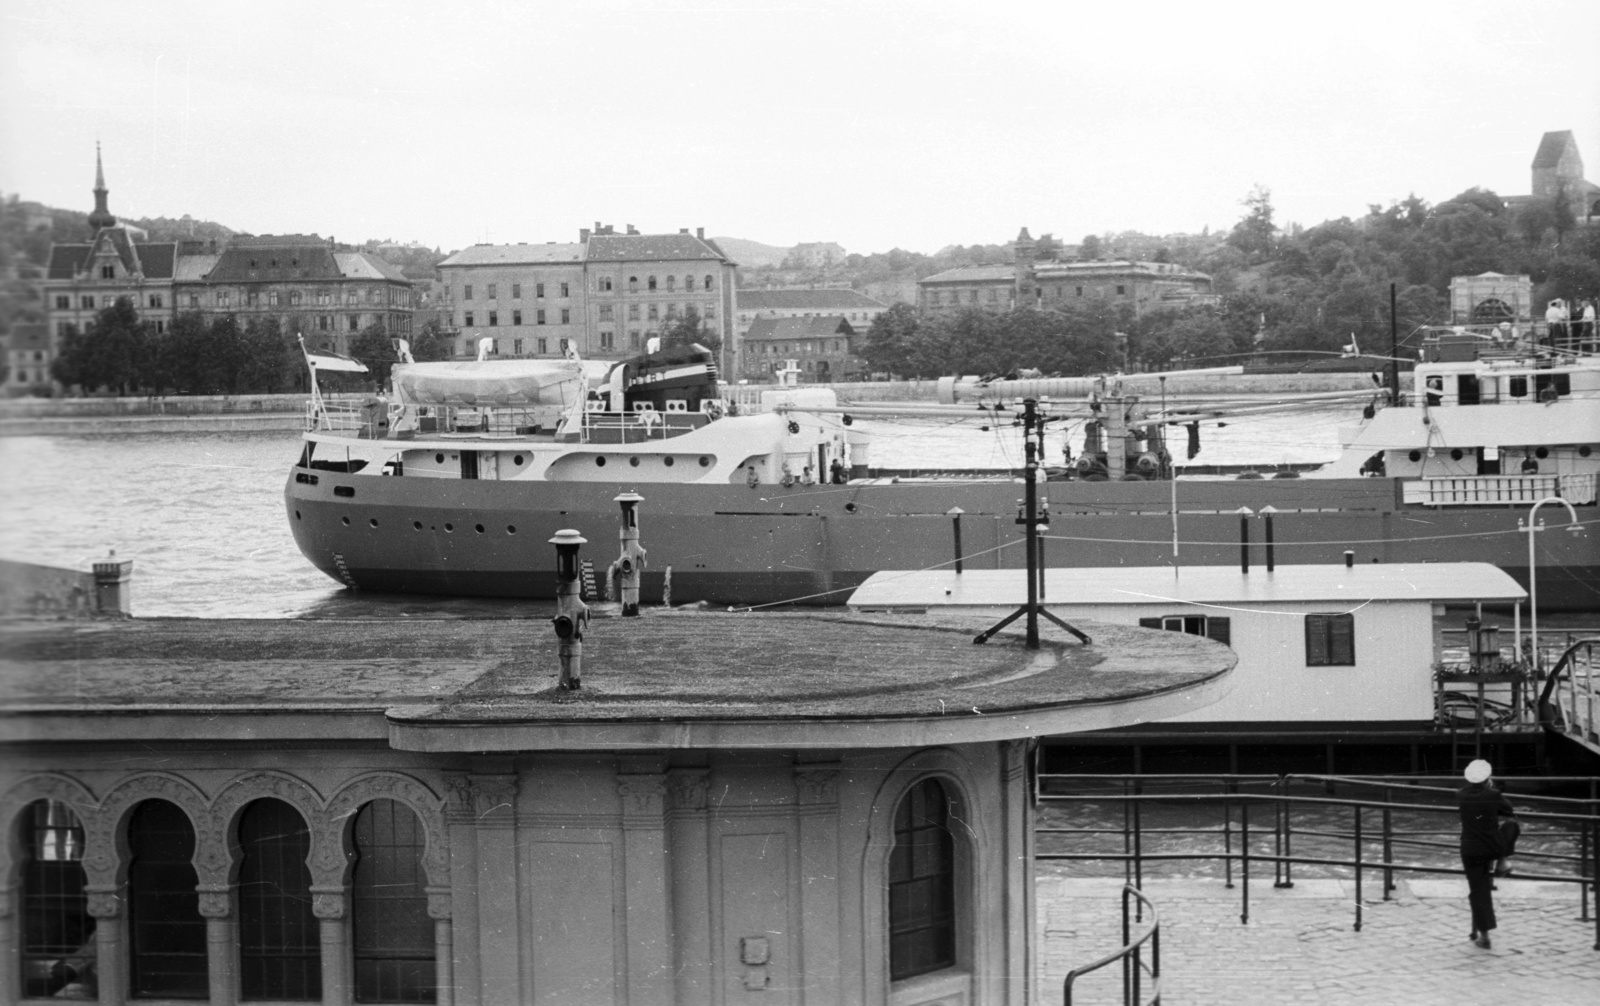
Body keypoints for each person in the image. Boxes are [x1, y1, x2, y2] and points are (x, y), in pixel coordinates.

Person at [1458, 759, 1517, 949]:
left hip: (1471, 849)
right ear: (1487, 778)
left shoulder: (1460, 794)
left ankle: (1484, 935)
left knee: (1478, 891)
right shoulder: (1493, 793)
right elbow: (1508, 810)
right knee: (1511, 826)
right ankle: (1503, 860)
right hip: (1493, 847)